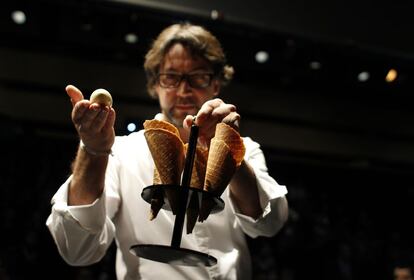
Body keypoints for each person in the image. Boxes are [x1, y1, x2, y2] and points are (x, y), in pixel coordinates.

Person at [46, 22, 288, 280]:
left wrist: (229, 152)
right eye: (171, 77)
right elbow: (77, 250)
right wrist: (93, 150)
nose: (184, 91)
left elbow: (269, 225)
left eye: (198, 77)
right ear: (155, 85)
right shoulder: (122, 152)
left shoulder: (244, 148)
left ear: (216, 84)